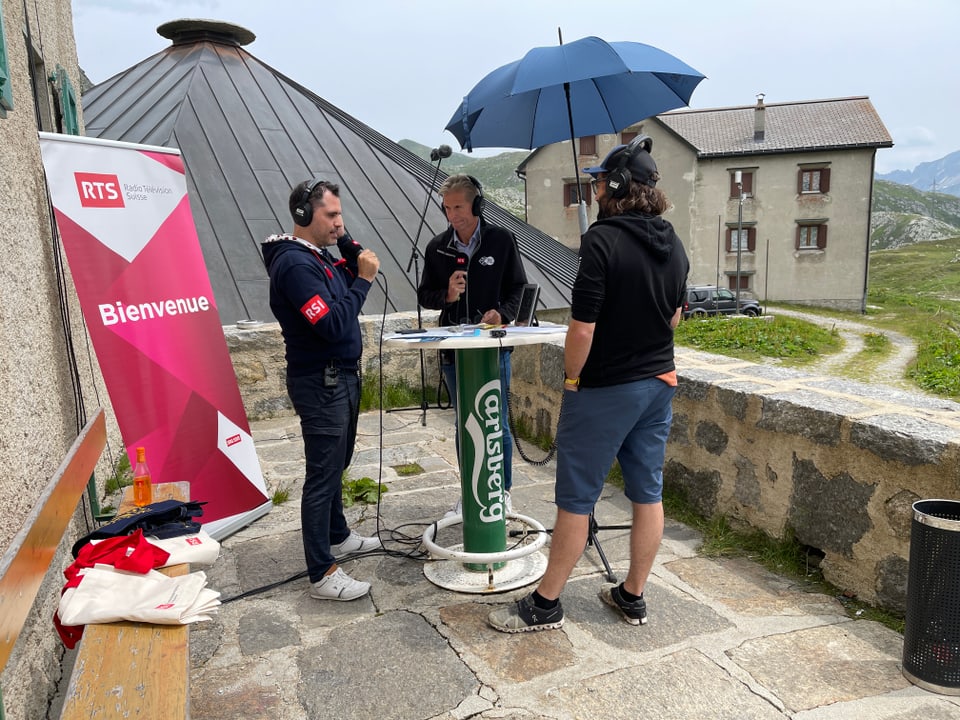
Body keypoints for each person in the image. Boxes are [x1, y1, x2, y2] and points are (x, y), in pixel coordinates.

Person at [487, 136, 689, 632]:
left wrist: (573, 378)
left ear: (617, 186)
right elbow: (676, 316)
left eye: (600, 180)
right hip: (659, 381)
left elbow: (582, 328)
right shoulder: (673, 240)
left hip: (607, 388)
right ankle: (632, 595)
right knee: (648, 493)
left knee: (577, 498)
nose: (595, 187)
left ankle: (546, 604)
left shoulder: (601, 241)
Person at [261, 179, 382, 601]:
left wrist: (345, 241)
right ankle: (321, 571)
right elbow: (331, 324)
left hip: (342, 376)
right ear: (302, 216)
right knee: (322, 474)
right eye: (331, 215)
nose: (339, 223)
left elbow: (353, 267)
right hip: (321, 381)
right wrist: (364, 281)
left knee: (338, 463)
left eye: (340, 214)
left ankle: (338, 534)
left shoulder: (321, 257)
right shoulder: (295, 266)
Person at [417, 175, 528, 514]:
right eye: (447, 208)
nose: (453, 215)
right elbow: (425, 296)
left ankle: (502, 491)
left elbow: (519, 289)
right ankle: (470, 491)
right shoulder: (437, 247)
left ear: (476, 205)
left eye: (459, 207)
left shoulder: (501, 240)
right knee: (464, 421)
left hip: (493, 348)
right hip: (454, 351)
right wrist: (447, 295)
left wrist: (502, 315)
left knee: (496, 422)